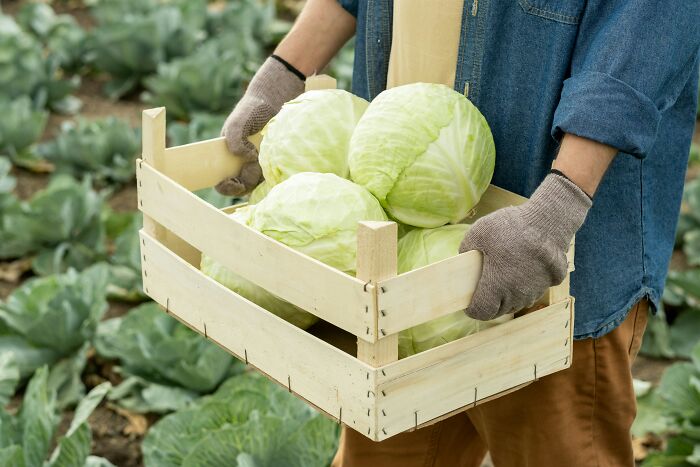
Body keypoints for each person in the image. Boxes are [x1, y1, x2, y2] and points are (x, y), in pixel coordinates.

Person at [216, 0, 700, 465]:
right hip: (398, 257)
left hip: (549, 245)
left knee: (558, 450)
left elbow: (645, 29)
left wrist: (559, 205)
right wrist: (285, 69)